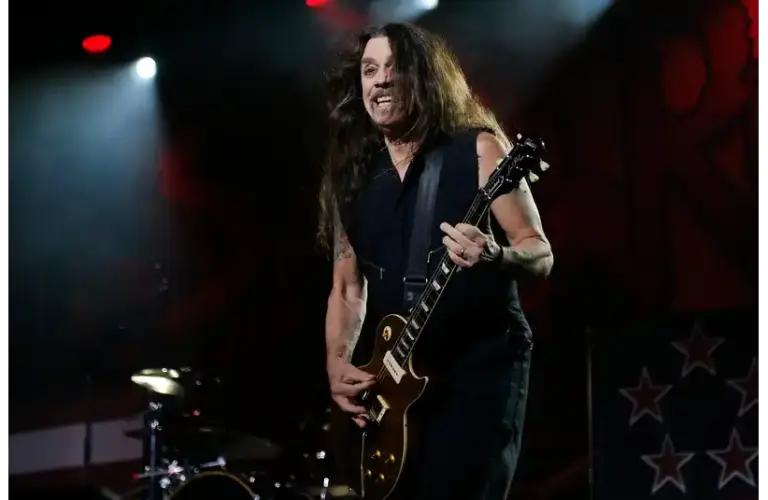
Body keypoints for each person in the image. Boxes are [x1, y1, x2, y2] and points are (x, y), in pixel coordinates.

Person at [317, 22, 553, 500]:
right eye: (369, 70)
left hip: (479, 365)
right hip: (399, 379)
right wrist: (336, 362)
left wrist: (495, 253)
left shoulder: (479, 149)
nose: (379, 80)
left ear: (422, 77)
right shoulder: (353, 178)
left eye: (393, 68)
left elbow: (539, 251)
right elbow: (347, 287)